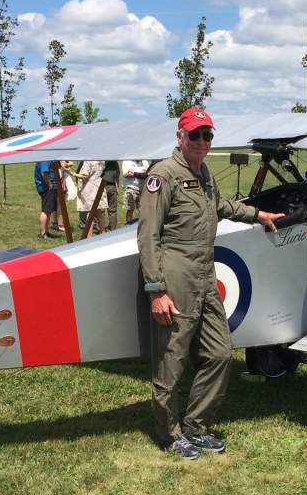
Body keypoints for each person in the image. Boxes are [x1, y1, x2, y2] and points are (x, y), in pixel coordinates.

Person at [138, 107, 284, 460]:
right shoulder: (164, 175)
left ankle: (195, 427)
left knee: (220, 352)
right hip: (175, 276)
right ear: (180, 137)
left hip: (205, 272)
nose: (202, 142)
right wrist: (157, 290)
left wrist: (258, 214)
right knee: (171, 361)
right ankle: (170, 434)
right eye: (196, 135)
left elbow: (217, 206)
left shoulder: (203, 174)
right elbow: (148, 235)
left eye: (208, 136)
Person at [73, 160, 106, 234]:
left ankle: (89, 235)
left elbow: (84, 176)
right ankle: (103, 232)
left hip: (90, 188)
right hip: (99, 186)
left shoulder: (88, 161)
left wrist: (73, 173)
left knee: (89, 212)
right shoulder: (102, 160)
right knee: (99, 211)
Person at [35, 159, 60, 238]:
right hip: (47, 187)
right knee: (46, 210)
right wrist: (50, 184)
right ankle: (43, 234)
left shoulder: (47, 158)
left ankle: (46, 231)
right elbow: (44, 173)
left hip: (49, 186)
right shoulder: (45, 158)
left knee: (48, 210)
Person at [122, 158, 150, 224]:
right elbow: (126, 174)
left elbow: (148, 174)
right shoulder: (127, 160)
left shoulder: (144, 161)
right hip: (131, 188)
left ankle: (141, 226)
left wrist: (134, 172)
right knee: (130, 209)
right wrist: (141, 172)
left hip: (143, 189)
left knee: (143, 210)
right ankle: (128, 226)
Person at [101, 160, 120, 230]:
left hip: (101, 186)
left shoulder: (99, 160)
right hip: (112, 186)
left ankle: (101, 229)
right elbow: (117, 173)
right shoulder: (114, 160)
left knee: (101, 210)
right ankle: (113, 228)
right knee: (112, 210)